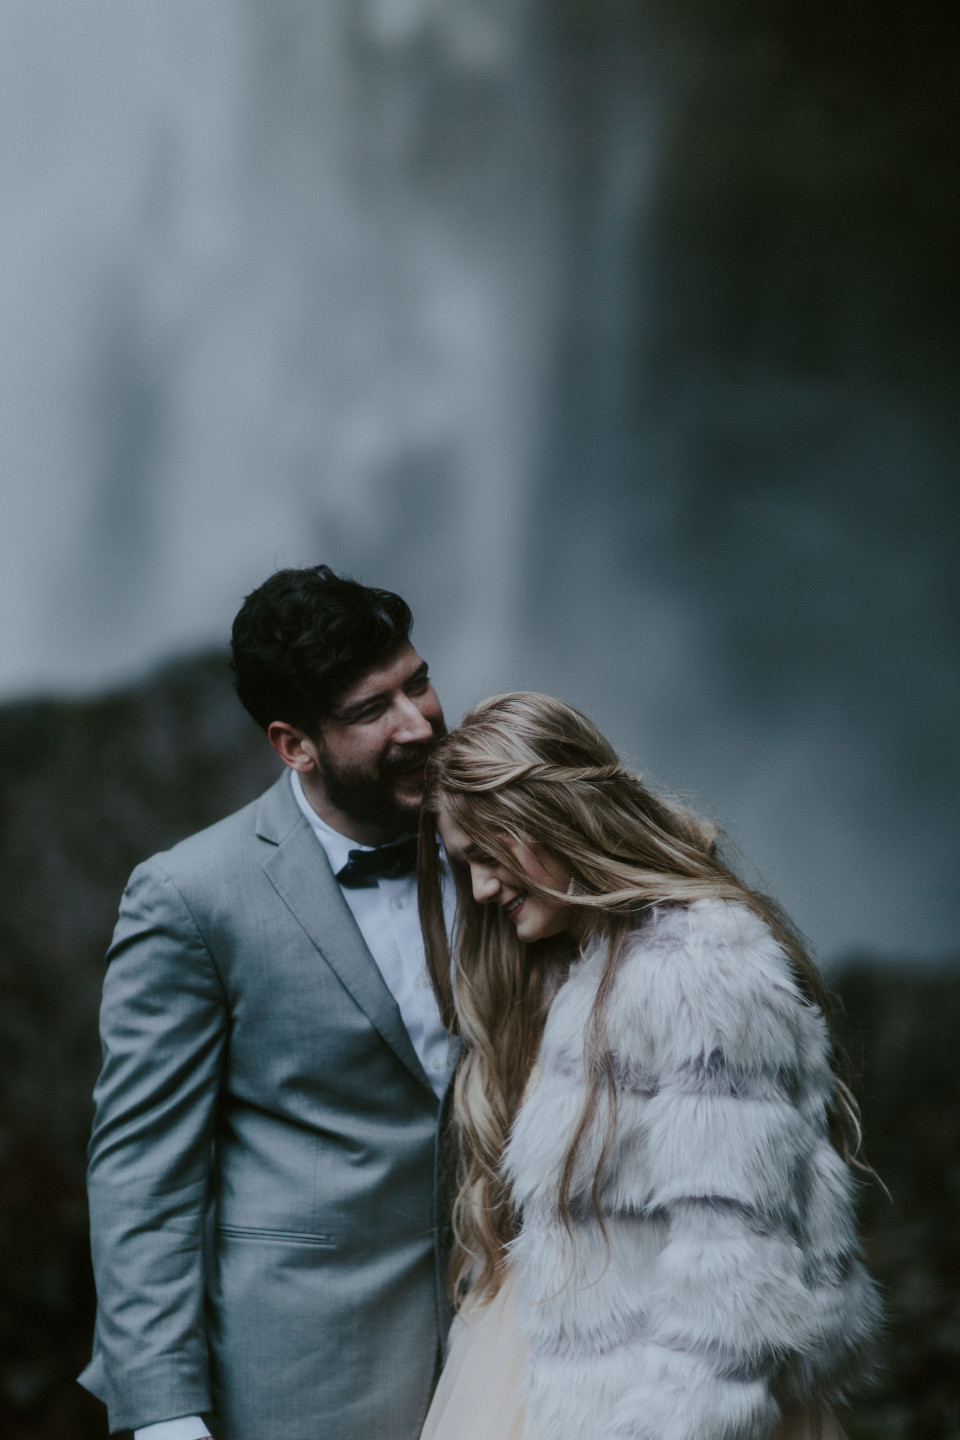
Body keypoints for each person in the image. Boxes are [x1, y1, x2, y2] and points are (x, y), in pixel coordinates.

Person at [415, 692, 882, 1440]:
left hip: (662, 1408)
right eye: (462, 866)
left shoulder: (702, 968)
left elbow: (734, 1265)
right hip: (552, 1383)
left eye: (486, 856)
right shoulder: (567, 974)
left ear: (548, 816)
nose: (479, 890)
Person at [81, 565, 458, 1440]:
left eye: (420, 682)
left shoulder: (504, 844)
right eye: (373, 710)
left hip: (513, 1349)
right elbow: (142, 1175)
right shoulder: (189, 896)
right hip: (302, 1378)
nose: (419, 723)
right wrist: (164, 1414)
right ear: (293, 744)